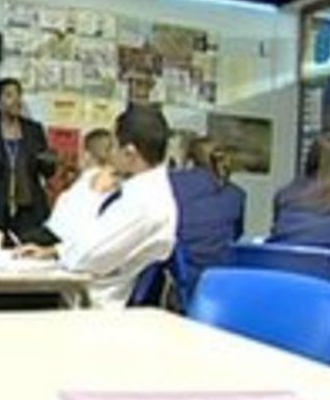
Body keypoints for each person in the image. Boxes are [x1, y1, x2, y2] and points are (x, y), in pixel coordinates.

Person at [19, 105, 178, 310]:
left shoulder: (145, 204)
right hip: (88, 291)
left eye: (113, 146)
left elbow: (85, 257)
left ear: (130, 153)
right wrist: (52, 251)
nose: (109, 155)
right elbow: (94, 244)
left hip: (95, 304)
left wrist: (62, 253)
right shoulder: (140, 190)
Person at [0, 78, 55, 242]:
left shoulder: (34, 130)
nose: (16, 100)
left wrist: (48, 161)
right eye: (9, 95)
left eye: (18, 95)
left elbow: (48, 172)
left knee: (28, 257)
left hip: (30, 208)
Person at [269, 130, 330, 271]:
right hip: (329, 287)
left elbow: (275, 237)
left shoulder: (285, 194)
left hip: (282, 281)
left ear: (311, 159)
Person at [169, 137, 245, 296]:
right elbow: (236, 235)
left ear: (189, 160)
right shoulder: (237, 195)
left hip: (184, 280)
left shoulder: (173, 182)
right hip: (222, 285)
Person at [44, 128, 117, 244]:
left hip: (65, 242)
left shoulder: (88, 183)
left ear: (86, 155)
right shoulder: (114, 182)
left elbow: (59, 228)